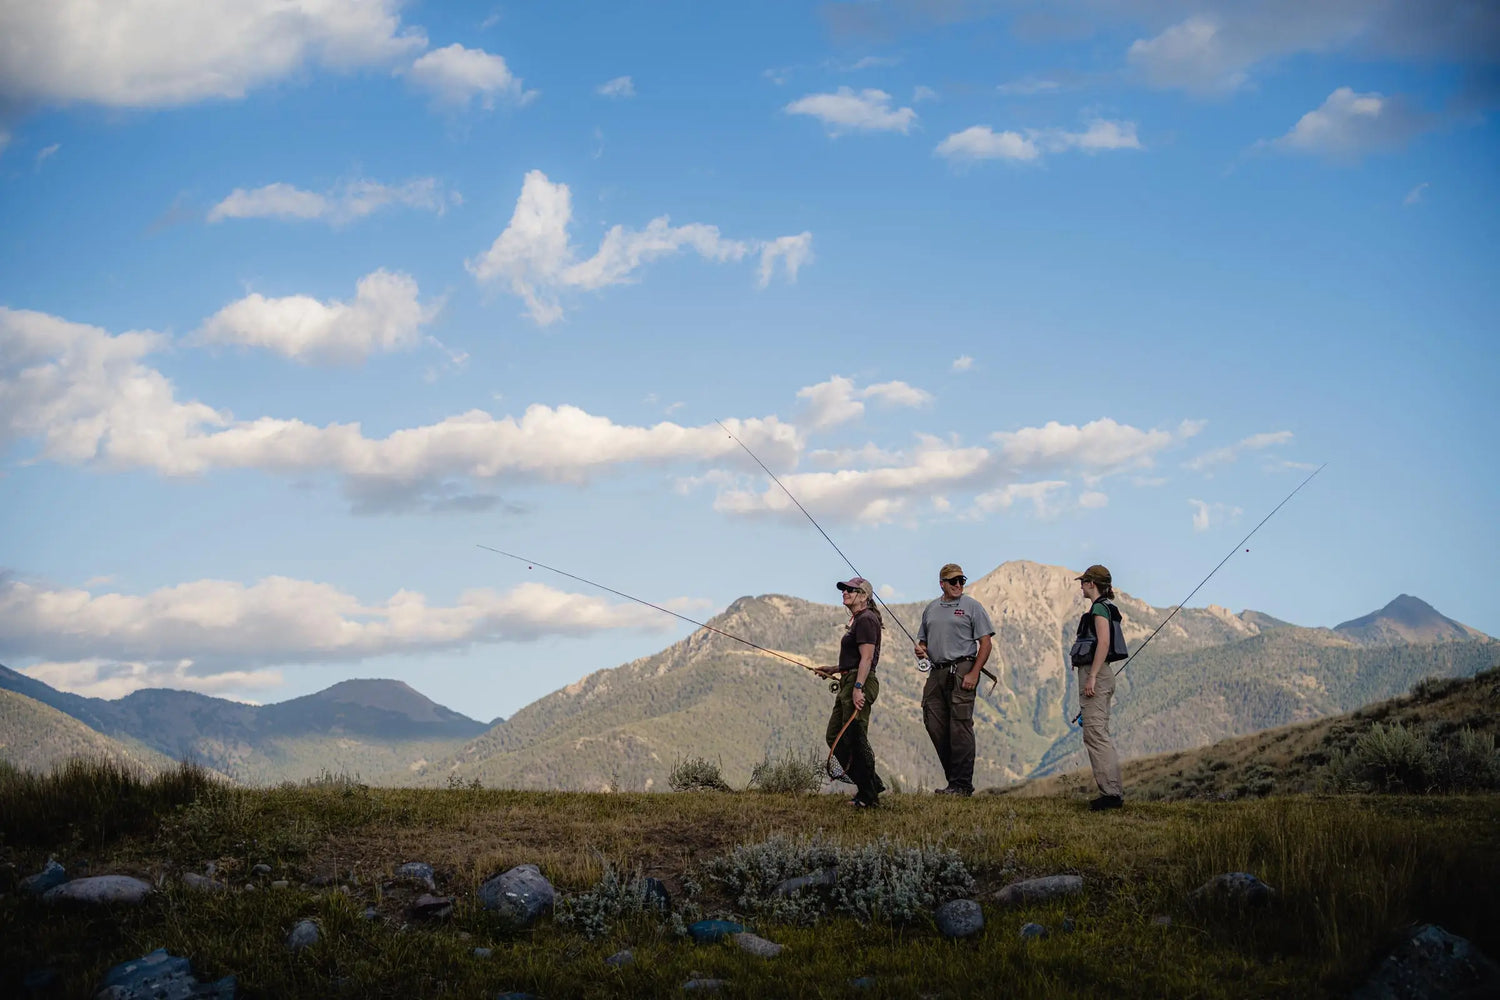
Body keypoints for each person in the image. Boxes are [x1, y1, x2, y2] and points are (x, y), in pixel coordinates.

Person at [914, 563, 994, 796]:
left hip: (962, 668)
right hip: (936, 671)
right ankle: (954, 781)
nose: (958, 584)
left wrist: (974, 672)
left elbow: (986, 643)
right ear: (942, 584)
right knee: (933, 722)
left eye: (961, 580)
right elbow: (923, 642)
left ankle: (962, 785)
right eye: (953, 581)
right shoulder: (931, 609)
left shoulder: (972, 606)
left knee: (960, 726)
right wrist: (921, 650)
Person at [816, 576, 885, 808]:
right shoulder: (859, 620)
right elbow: (857, 658)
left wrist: (858, 687)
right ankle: (871, 783)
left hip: (858, 682)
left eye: (850, 590)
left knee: (855, 738)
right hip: (849, 680)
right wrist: (835, 669)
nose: (845, 592)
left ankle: (868, 796)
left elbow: (867, 658)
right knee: (834, 736)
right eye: (844, 589)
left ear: (864, 596)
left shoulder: (866, 619)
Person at [1075, 565, 1124, 811]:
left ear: (1091, 583)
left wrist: (1092, 676)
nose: (1081, 586)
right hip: (1102, 674)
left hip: (1096, 674)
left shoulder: (1098, 608)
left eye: (1083, 582)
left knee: (1095, 734)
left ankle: (1111, 794)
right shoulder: (1105, 606)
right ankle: (1112, 792)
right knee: (1098, 733)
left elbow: (1103, 642)